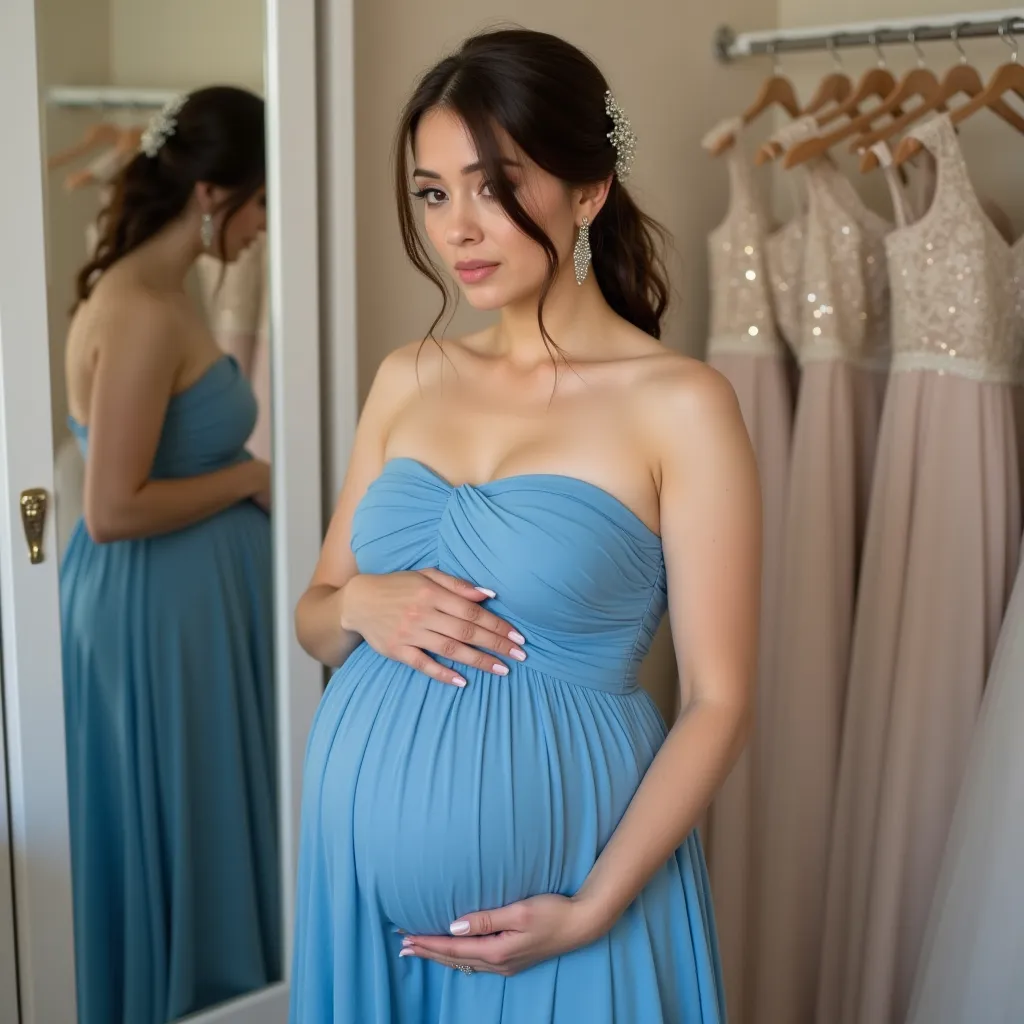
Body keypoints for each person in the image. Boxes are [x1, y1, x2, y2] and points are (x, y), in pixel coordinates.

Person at [291, 29, 760, 1023]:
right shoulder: (406, 377)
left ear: (586, 191)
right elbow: (315, 619)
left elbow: (720, 699)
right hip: (358, 899)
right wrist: (360, 602)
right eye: (431, 192)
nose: (458, 226)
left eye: (494, 185)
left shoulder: (680, 404)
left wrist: (593, 907)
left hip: (571, 898)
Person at [61, 86, 281, 1024]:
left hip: (186, 611)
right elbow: (111, 507)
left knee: (206, 835)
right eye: (263, 200)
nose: (266, 225)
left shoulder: (166, 290)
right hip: (156, 618)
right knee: (185, 836)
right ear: (214, 194)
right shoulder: (143, 309)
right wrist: (249, 480)